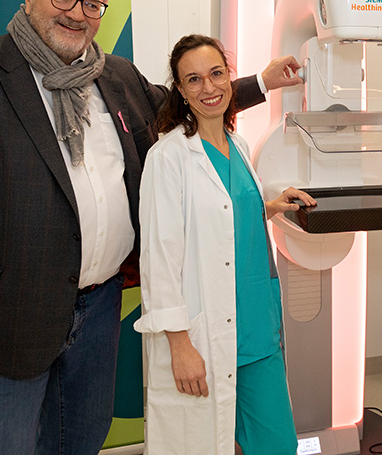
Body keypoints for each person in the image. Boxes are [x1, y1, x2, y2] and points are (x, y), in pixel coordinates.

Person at [0, 0, 302, 455]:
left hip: (99, 304)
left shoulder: (117, 77)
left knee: (80, 440)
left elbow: (193, 103)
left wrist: (262, 81)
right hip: (10, 310)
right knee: (4, 446)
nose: (77, 13)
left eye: (92, 4)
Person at [133, 34, 311, 455]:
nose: (208, 88)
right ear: (179, 90)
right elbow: (159, 259)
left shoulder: (239, 145)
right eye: (193, 80)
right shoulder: (169, 157)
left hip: (257, 330)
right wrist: (179, 346)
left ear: (230, 77)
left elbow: (221, 213)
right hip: (204, 335)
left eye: (216, 74)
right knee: (201, 446)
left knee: (277, 446)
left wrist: (268, 205)